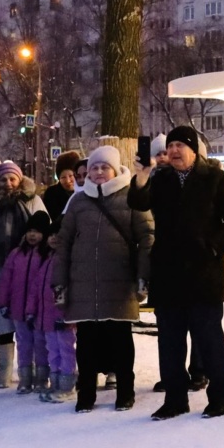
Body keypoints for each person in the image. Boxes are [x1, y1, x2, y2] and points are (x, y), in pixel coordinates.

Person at [128, 126, 224, 420]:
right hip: (168, 273)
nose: (175, 150)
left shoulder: (215, 178)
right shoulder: (161, 178)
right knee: (170, 341)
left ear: (194, 150)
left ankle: (220, 395)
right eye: (172, 145)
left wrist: (213, 247)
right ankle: (175, 398)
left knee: (209, 339)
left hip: (203, 272)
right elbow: (138, 202)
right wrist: (142, 175)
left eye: (182, 145)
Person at [53, 146, 153, 413]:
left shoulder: (131, 197)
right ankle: (86, 394)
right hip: (83, 285)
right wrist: (59, 282)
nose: (98, 172)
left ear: (115, 169)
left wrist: (144, 277)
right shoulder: (78, 201)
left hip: (120, 283)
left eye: (104, 167)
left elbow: (147, 238)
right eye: (94, 167)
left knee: (120, 341)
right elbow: (63, 244)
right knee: (86, 344)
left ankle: (125, 392)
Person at [0, 160, 46, 389]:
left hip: (29, 269)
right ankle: (5, 368)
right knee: (2, 318)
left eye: (12, 178)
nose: (8, 183)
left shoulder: (33, 201)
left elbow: (46, 232)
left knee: (29, 317)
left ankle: (30, 366)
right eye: (3, 179)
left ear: (20, 179)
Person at [0, 210, 55, 395]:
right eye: (30, 231)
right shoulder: (16, 254)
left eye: (37, 231)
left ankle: (42, 378)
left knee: (41, 344)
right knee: (24, 344)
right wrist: (2, 302)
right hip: (18, 309)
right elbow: (5, 280)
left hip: (39, 310)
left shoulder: (47, 255)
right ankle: (25, 378)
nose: (32, 235)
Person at [37, 219, 78, 404]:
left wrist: (68, 312)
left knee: (66, 349)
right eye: (51, 235)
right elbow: (37, 289)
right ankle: (55, 382)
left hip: (62, 314)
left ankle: (67, 384)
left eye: (57, 235)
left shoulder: (68, 259)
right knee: (52, 349)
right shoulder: (46, 259)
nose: (54, 238)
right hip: (46, 316)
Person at [42, 151, 85, 220]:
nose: (68, 181)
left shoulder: (85, 192)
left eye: (71, 176)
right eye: (63, 177)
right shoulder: (51, 194)